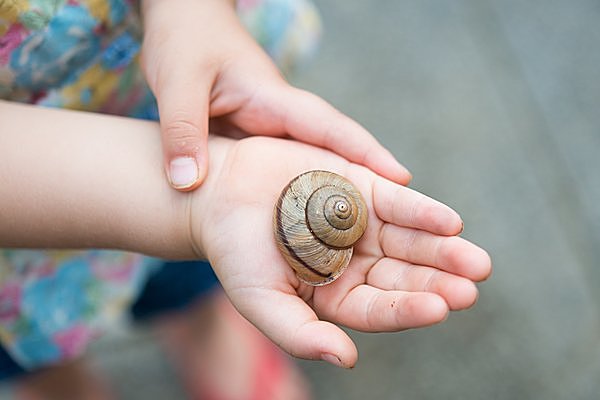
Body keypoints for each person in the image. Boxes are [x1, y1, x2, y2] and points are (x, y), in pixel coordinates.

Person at [0, 0, 491, 399]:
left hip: (159, 86)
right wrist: (202, 205)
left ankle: (205, 323)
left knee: (198, 259)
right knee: (33, 342)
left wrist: (190, 11)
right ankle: (57, 380)